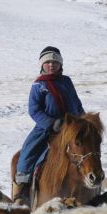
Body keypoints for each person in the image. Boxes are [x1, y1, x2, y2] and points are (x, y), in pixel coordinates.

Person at [14, 46, 85, 204]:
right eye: (48, 62)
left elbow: (76, 103)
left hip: (71, 127)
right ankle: (22, 188)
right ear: (42, 65)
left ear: (60, 64)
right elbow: (34, 110)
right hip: (47, 128)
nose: (51, 65)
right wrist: (51, 123)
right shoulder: (38, 86)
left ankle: (93, 183)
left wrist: (83, 120)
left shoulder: (66, 81)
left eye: (55, 62)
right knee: (29, 150)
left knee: (88, 150)